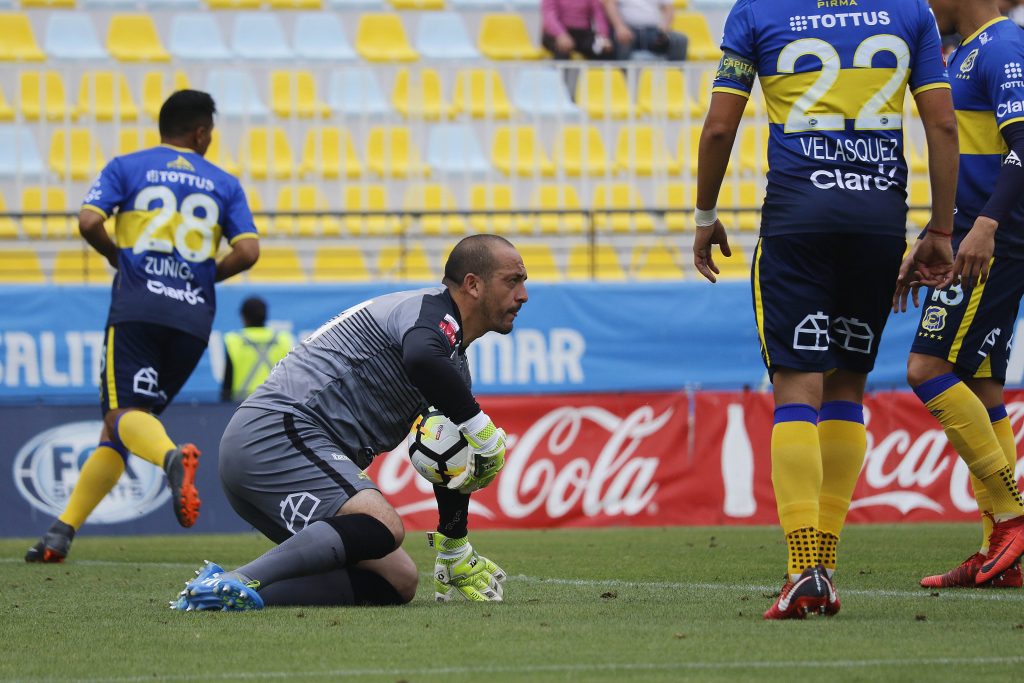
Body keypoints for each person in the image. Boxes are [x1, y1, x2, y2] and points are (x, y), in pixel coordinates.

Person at [693, 0, 959, 618]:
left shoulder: (756, 10)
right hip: (877, 219)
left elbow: (717, 128)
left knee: (796, 391)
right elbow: (943, 127)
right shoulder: (909, 10)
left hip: (797, 219)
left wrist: (705, 215)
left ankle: (802, 569)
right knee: (846, 389)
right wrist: (940, 230)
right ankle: (825, 564)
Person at [171, 234, 528, 610]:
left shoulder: (450, 359)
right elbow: (422, 359)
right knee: (384, 525)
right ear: (472, 284)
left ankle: (224, 596)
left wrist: (454, 544)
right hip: (279, 431)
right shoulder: (428, 313)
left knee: (396, 579)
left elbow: (448, 457)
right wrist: (480, 427)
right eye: (512, 280)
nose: (522, 295)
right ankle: (236, 578)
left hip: (271, 445)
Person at [24, 90, 260, 563]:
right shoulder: (224, 183)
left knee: (121, 415)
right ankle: (61, 532)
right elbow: (249, 251)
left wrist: (118, 257)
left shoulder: (126, 167)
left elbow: (89, 220)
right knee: (123, 429)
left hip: (138, 307)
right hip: (193, 317)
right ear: (200, 132)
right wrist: (204, 275)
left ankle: (171, 459)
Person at [895, 0, 1024, 589]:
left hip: (992, 243)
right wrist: (933, 235)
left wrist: (987, 224)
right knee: (981, 384)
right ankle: (1001, 552)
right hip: (974, 237)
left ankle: (1011, 521)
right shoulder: (964, 52)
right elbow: (974, 159)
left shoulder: (1002, 46)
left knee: (927, 368)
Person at [220, 296, 294, 403]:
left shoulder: (234, 341)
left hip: (242, 406)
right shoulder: (284, 340)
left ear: (244, 317)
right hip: (277, 405)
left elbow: (227, 386)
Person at [601, 0, 687, 62]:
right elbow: (610, 4)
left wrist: (664, 27)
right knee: (623, 41)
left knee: (680, 40)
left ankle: (674, 80)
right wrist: (619, 27)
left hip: (653, 32)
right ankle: (624, 82)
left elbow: (669, 9)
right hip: (628, 30)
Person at [541, 0, 615, 60]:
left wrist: (603, 37)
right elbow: (549, 17)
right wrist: (561, 35)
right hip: (555, 34)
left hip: (582, 34)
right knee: (562, 51)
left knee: (603, 50)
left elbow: (599, 15)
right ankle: (562, 78)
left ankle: (598, 78)